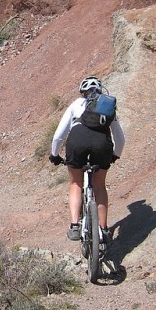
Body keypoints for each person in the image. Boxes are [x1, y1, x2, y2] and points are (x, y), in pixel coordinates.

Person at [49, 76, 125, 246]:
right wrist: (114, 155)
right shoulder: (107, 107)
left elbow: (59, 135)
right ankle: (104, 230)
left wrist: (54, 154)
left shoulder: (76, 104)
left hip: (78, 140)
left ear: (82, 92)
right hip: (102, 144)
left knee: (76, 183)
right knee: (99, 185)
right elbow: (120, 139)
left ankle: (75, 226)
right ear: (100, 91)